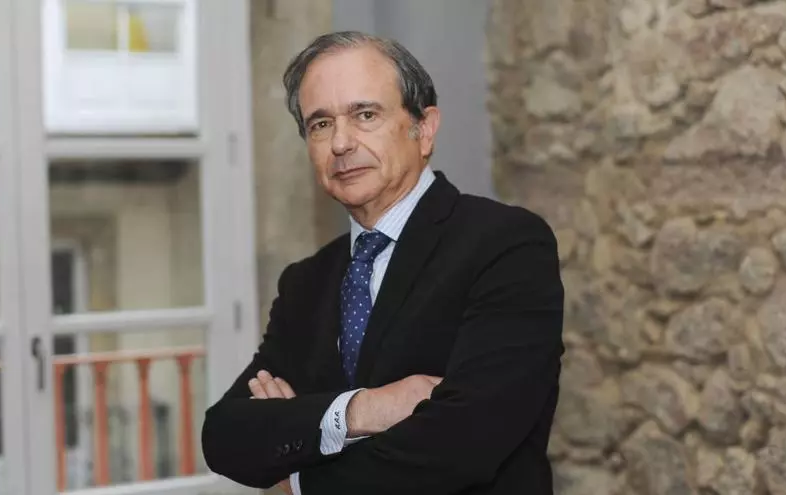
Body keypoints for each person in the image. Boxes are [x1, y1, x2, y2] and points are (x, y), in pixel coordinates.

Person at [201, 30, 565, 495]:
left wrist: (299, 482)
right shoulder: (307, 282)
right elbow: (225, 436)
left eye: (365, 115)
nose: (340, 143)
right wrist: (362, 411)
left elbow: (463, 443)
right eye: (320, 124)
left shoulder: (506, 245)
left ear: (424, 128)